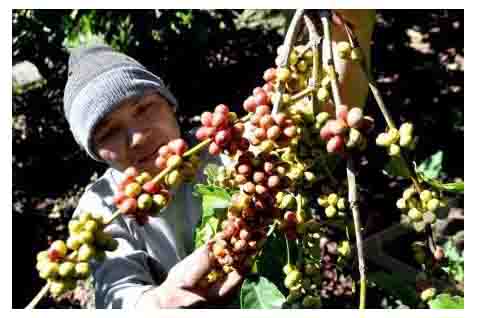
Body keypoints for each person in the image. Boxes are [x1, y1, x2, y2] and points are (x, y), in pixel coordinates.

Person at [63, 9, 375, 309]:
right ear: (94, 153)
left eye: (144, 108)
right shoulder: (99, 211)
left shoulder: (221, 145)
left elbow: (321, 118)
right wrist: (154, 303)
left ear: (170, 105)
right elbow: (118, 291)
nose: (138, 137)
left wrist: (351, 26)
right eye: (108, 132)